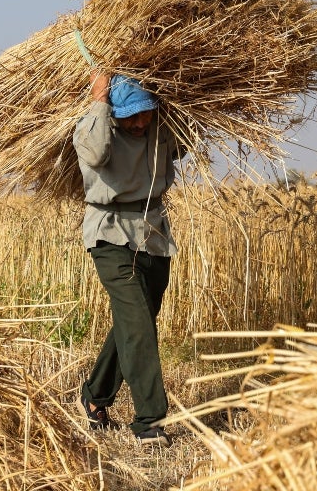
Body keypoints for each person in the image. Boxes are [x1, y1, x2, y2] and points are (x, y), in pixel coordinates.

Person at [72, 70, 180, 446]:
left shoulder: (159, 126)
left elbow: (182, 146)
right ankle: (149, 422)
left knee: (135, 322)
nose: (138, 123)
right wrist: (100, 101)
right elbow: (96, 154)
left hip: (153, 233)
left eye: (144, 113)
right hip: (110, 233)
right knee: (138, 325)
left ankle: (95, 396)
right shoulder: (94, 128)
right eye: (130, 116)